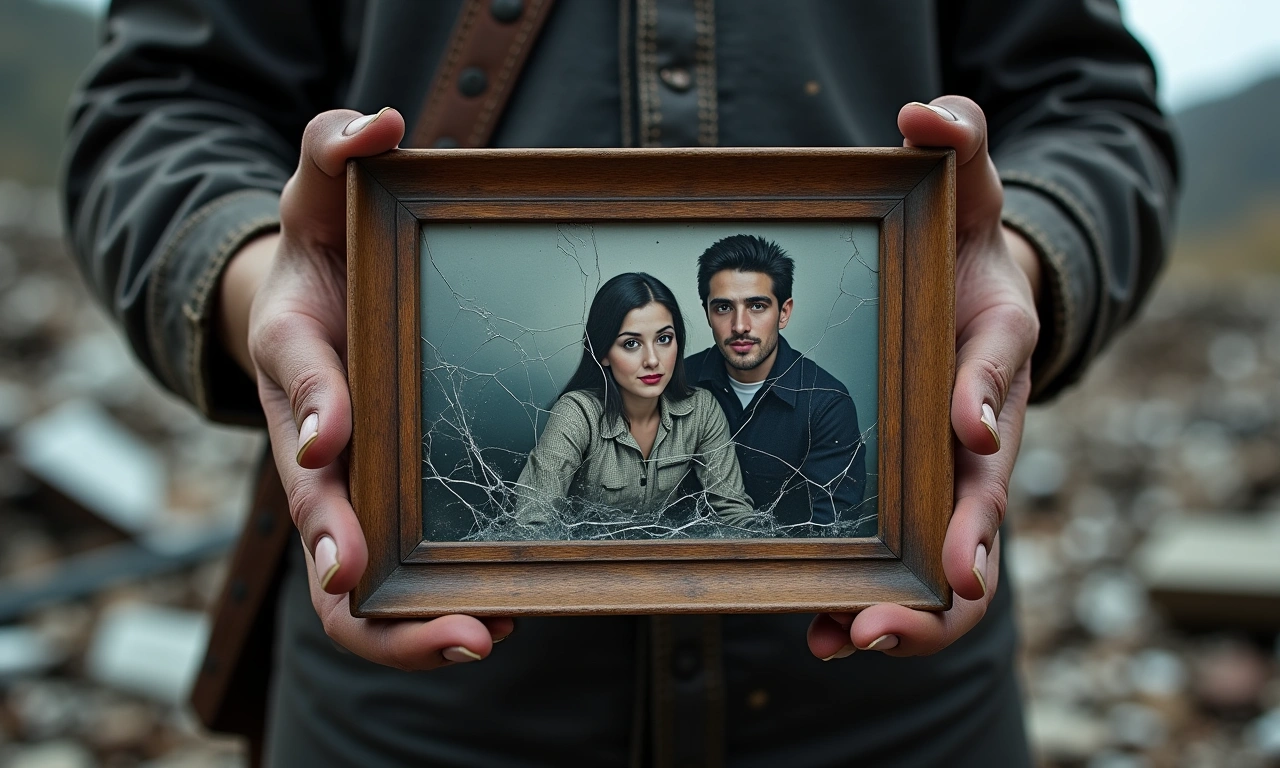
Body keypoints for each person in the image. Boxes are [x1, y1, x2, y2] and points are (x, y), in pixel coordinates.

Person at [63, 1, 1178, 764]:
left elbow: (1093, 110)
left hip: (896, 693)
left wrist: (1017, 263)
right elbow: (158, 111)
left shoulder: (731, 408)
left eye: (671, 335)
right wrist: (263, 284)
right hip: (412, 697)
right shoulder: (569, 420)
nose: (667, 354)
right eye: (639, 338)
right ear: (602, 352)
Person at [513, 272, 754, 530]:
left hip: (663, 565)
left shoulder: (701, 410)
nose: (652, 360)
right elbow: (533, 521)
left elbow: (733, 511)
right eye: (631, 343)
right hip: (584, 566)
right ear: (603, 353)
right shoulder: (577, 414)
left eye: (664, 339)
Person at [684, 234, 866, 531]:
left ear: (784, 312)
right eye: (723, 308)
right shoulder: (679, 383)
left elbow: (831, 535)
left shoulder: (826, 404)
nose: (740, 326)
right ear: (706, 312)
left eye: (757, 306)